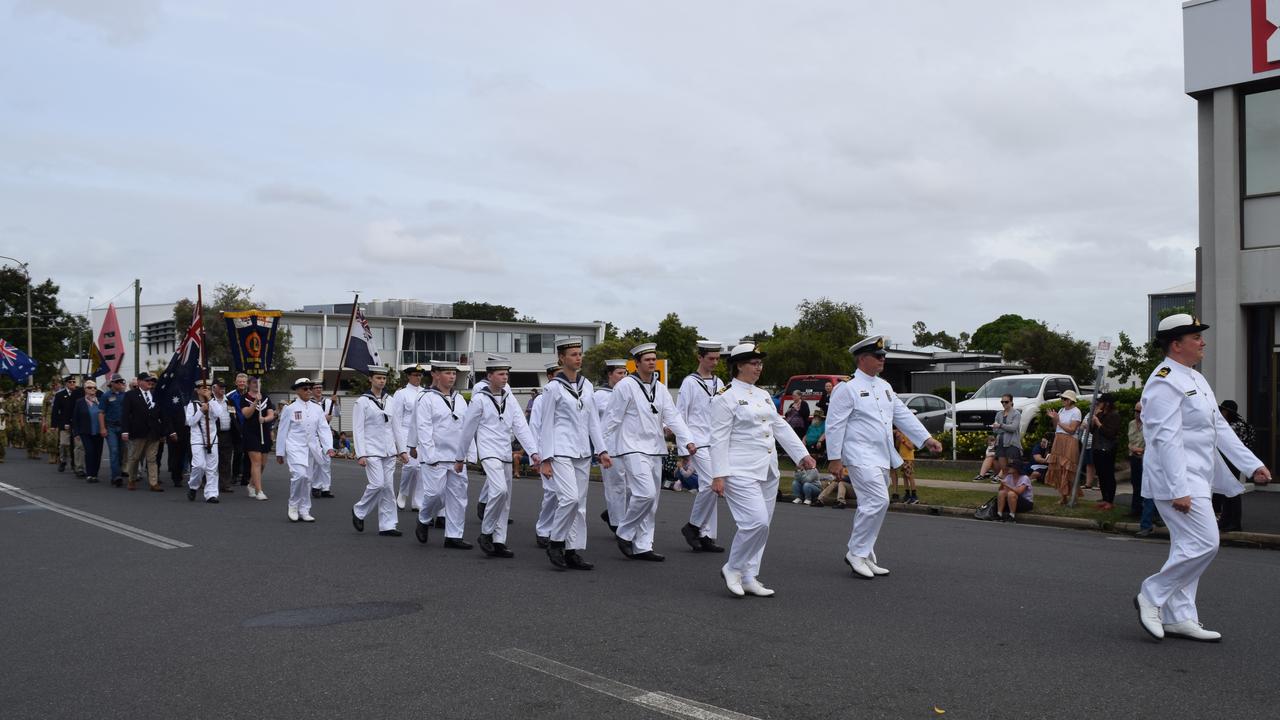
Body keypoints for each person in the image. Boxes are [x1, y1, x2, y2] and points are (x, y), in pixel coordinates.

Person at [1133, 314, 1271, 642]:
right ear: (1176, 345)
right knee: (1207, 542)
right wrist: (1179, 488)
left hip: (1198, 475)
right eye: (1196, 337)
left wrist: (1251, 464)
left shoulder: (1194, 378)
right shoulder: (1165, 381)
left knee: (1188, 545)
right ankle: (1151, 594)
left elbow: (1218, 427)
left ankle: (1180, 616)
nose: (1203, 342)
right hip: (1176, 479)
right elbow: (1164, 438)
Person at [826, 335, 942, 579]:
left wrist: (926, 439)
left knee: (873, 505)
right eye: (878, 356)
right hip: (858, 455)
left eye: (883, 356)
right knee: (878, 500)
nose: (882, 360)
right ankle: (856, 553)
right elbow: (834, 424)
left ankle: (865, 553)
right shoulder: (847, 388)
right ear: (862, 359)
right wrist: (834, 458)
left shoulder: (884, 386)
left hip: (882, 455)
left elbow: (902, 415)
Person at [709, 342, 816, 597]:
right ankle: (733, 568)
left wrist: (802, 454)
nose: (759, 368)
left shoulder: (764, 395)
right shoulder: (724, 397)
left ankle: (749, 575)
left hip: (767, 469)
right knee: (754, 522)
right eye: (754, 363)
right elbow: (718, 438)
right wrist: (718, 474)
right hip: (739, 469)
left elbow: (779, 426)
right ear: (739, 366)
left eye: (760, 363)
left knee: (763, 526)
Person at [603, 342, 696, 562]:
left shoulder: (661, 388)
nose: (652, 362)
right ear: (636, 363)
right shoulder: (625, 385)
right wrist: (602, 449)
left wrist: (687, 440)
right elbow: (611, 419)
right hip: (632, 448)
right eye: (647, 359)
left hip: (655, 448)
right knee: (645, 493)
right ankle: (624, 533)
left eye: (654, 358)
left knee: (651, 502)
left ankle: (643, 545)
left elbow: (673, 417)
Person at [537, 338, 611, 570]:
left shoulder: (587, 385)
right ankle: (556, 542)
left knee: (580, 505)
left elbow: (593, 423)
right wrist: (545, 459)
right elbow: (545, 424)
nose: (578, 358)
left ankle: (572, 550)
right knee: (569, 499)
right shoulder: (553, 388)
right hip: (560, 450)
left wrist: (602, 450)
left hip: (581, 451)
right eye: (573, 354)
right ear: (561, 358)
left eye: (580, 354)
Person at [457, 357, 540, 557]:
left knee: (506, 499)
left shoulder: (509, 398)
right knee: (499, 491)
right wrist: (461, 458)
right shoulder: (479, 399)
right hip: (489, 452)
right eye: (501, 374)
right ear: (490, 376)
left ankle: (499, 540)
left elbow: (521, 426)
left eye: (506, 374)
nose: (505, 378)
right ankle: (486, 533)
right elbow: (467, 430)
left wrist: (534, 452)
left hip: (504, 452)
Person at [409, 360, 473, 550]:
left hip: (456, 457)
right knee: (435, 494)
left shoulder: (460, 399)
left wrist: (468, 454)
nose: (452, 376)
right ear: (435, 375)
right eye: (447, 373)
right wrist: (429, 455)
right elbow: (423, 427)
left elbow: (467, 428)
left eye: (454, 373)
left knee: (458, 496)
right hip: (435, 456)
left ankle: (454, 536)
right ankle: (424, 518)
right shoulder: (425, 398)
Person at [676, 340, 726, 553]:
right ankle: (694, 527)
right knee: (709, 484)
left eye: (717, 359)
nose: (714, 362)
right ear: (700, 358)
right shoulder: (689, 382)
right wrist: (683, 448)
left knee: (713, 487)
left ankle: (704, 533)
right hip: (697, 441)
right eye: (710, 359)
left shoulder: (719, 382)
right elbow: (680, 414)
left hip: (716, 440)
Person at [351, 366, 410, 537]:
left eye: (384, 378)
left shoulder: (390, 401)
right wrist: (361, 453)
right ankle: (359, 511)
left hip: (389, 451)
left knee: (388, 488)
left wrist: (402, 450)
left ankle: (388, 525)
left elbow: (396, 428)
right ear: (370, 379)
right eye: (378, 378)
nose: (381, 381)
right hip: (371, 450)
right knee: (377, 484)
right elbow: (358, 429)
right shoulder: (362, 401)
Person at [276, 378, 334, 522]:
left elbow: (323, 429)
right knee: (299, 476)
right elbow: (282, 431)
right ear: (297, 390)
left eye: (310, 388)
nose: (308, 391)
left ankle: (305, 509)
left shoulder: (317, 408)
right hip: (295, 446)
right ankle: (293, 505)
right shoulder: (290, 408)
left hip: (311, 448)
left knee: (308, 479)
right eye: (305, 388)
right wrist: (280, 452)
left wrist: (328, 447)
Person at [595, 358, 630, 534]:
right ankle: (618, 524)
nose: (623, 376)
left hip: (628, 445)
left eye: (625, 373)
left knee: (632, 488)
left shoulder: (629, 392)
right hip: (609, 447)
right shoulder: (600, 395)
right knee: (615, 487)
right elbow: (592, 422)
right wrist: (597, 448)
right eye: (619, 373)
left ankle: (613, 515)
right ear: (610, 374)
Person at [121, 372, 171, 492]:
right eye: (146, 380)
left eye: (150, 380)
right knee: (135, 457)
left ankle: (153, 483)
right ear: (139, 382)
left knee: (152, 458)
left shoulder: (155, 394)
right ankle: (132, 479)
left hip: (154, 432)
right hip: (138, 431)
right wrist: (125, 431)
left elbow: (162, 414)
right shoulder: (130, 395)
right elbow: (125, 414)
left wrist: (164, 432)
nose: (150, 382)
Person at [530, 362, 561, 547]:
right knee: (552, 492)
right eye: (558, 374)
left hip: (566, 452)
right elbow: (534, 427)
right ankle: (543, 530)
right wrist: (536, 455)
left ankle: (558, 531)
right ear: (549, 377)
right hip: (546, 453)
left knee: (566, 496)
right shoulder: (541, 400)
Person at [1213, 399, 1256, 533]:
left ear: (1227, 412)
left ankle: (1233, 522)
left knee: (1232, 492)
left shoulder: (1234, 427)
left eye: (1223, 410)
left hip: (1231, 462)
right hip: (1235, 463)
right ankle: (1226, 521)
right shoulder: (1242, 424)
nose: (1221, 413)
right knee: (1229, 491)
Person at [185, 379, 229, 503]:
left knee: (212, 468)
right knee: (199, 465)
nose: (206, 391)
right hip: (197, 439)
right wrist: (201, 411)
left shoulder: (214, 403)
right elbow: (190, 422)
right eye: (203, 388)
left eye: (209, 389)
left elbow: (219, 413)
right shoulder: (192, 405)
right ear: (197, 390)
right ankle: (193, 486)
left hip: (212, 438)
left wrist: (210, 400)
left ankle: (211, 494)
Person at [393, 364, 428, 511]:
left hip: (422, 434)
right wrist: (399, 443)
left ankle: (417, 500)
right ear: (408, 376)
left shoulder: (426, 392)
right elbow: (397, 419)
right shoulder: (401, 394)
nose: (418, 378)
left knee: (421, 469)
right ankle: (403, 491)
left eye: (420, 375)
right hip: (406, 433)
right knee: (411, 466)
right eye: (415, 375)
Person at [1044, 390, 1083, 504]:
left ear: (1071, 400)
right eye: (1062, 398)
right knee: (1059, 468)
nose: (1063, 401)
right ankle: (1063, 497)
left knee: (1069, 468)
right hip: (1059, 439)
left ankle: (1074, 497)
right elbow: (1056, 427)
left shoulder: (1076, 412)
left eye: (1065, 399)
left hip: (1070, 441)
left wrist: (1058, 421)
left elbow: (1072, 430)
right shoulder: (1061, 410)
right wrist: (1054, 419)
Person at [240, 377, 275, 501]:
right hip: (250, 432)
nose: (257, 384)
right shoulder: (244, 398)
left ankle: (251, 484)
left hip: (264, 431)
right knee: (256, 461)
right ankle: (259, 490)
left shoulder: (265, 397)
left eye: (258, 382)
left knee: (263, 464)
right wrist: (255, 402)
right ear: (249, 384)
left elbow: (271, 414)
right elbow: (246, 414)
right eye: (254, 382)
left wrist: (265, 419)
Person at [1128, 402, 1160, 537]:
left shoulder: (1152, 426)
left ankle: (1150, 522)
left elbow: (1155, 444)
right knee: (1142, 489)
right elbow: (1129, 440)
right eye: (1135, 411)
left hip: (1150, 460)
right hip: (1138, 459)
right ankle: (1147, 521)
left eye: (1140, 411)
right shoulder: (1131, 424)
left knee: (1151, 494)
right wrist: (1132, 448)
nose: (1137, 414)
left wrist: (1141, 450)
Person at [1089, 394, 1122, 510]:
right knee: (1101, 474)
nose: (1099, 404)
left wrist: (1098, 422)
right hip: (1097, 447)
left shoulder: (1114, 415)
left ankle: (1110, 500)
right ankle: (1104, 498)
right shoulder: (1101, 414)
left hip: (1108, 449)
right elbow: (1092, 431)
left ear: (1107, 403)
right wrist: (1094, 419)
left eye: (1101, 402)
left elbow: (1110, 434)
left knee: (1108, 474)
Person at [72, 379, 107, 483]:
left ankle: (95, 474)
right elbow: (75, 418)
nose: (92, 389)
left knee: (97, 453)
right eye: (89, 387)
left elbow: (105, 415)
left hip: (98, 431)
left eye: (94, 388)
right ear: (85, 389)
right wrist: (76, 432)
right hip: (85, 431)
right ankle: (89, 474)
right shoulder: (80, 402)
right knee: (90, 451)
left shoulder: (100, 401)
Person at [52, 375, 83, 475]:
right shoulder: (60, 395)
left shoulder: (79, 393)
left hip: (75, 423)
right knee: (63, 444)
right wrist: (54, 424)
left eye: (74, 382)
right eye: (70, 382)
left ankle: (75, 464)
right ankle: (63, 460)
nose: (73, 384)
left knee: (75, 445)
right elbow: (55, 411)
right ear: (66, 383)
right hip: (64, 423)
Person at [310, 389, 337, 499]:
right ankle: (316, 486)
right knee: (318, 461)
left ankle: (326, 488)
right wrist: (323, 418)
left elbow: (338, 413)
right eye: (316, 387)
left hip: (325, 433)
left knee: (326, 461)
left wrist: (336, 403)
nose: (318, 390)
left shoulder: (329, 402)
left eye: (320, 387)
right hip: (314, 434)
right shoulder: (309, 403)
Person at [100, 374, 127, 485]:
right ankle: (116, 476)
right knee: (114, 450)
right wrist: (102, 428)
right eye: (117, 382)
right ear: (112, 384)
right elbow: (101, 413)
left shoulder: (125, 395)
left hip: (123, 427)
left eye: (121, 382)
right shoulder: (106, 396)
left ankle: (118, 471)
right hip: (110, 427)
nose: (119, 384)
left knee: (121, 452)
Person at [226, 373, 251, 487]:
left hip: (249, 427)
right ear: (236, 383)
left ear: (247, 383)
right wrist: (239, 430)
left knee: (249, 453)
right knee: (238, 452)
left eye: (243, 381)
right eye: (239, 381)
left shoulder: (251, 395)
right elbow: (231, 414)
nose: (241, 383)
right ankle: (235, 475)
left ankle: (246, 476)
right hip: (235, 428)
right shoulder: (230, 396)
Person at [210, 379, 234, 493]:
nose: (223, 389)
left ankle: (225, 484)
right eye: (220, 387)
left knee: (226, 460)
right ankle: (209, 482)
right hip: (214, 433)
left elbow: (233, 415)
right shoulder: (209, 400)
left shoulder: (229, 401)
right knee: (212, 460)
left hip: (227, 433)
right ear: (214, 388)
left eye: (224, 387)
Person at [990, 394, 1022, 477]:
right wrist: (1003, 427)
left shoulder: (1016, 413)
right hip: (1000, 443)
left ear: (1011, 402)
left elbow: (1013, 428)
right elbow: (995, 430)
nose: (1004, 404)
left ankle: (1014, 486)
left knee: (1013, 468)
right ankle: (1005, 486)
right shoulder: (999, 414)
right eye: (1002, 402)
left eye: (1006, 402)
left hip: (1012, 443)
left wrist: (1001, 426)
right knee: (1004, 468)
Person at [889, 427, 919, 504]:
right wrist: (898, 438)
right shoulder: (901, 434)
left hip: (908, 458)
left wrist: (903, 440)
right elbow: (898, 446)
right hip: (902, 458)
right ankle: (907, 494)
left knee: (910, 476)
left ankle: (914, 495)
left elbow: (911, 447)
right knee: (904, 476)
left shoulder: (909, 435)